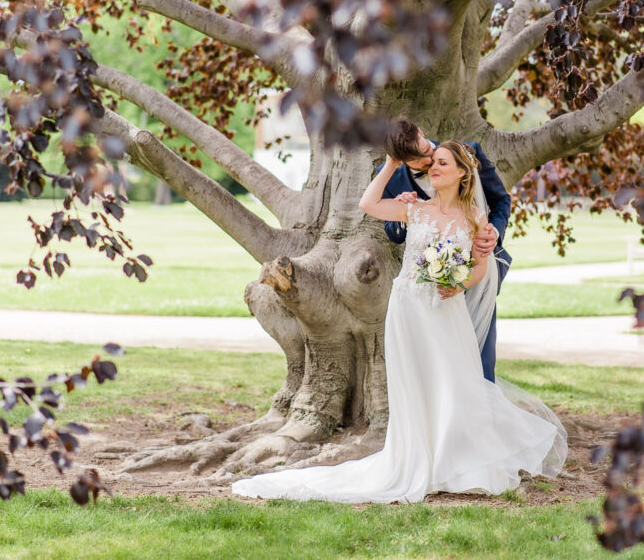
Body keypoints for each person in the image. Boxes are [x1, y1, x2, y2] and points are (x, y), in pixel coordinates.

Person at [231, 141, 566, 503]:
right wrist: (389, 165)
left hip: (445, 311)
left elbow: (481, 267)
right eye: (432, 164)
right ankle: (418, 458)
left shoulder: (473, 218)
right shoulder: (415, 209)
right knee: (414, 384)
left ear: (462, 173)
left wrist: (457, 284)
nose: (433, 169)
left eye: (441, 163)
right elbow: (367, 204)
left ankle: (456, 461)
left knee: (452, 380)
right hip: (407, 310)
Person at [380, 117, 511, 382]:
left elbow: (500, 201)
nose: (429, 164)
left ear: (421, 131)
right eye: (418, 163)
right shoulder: (393, 177)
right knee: (429, 365)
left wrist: (491, 234)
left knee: (479, 352)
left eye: (427, 153)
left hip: (474, 268)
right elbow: (394, 234)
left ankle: (480, 417)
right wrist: (401, 210)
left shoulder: (466, 154)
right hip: (426, 284)